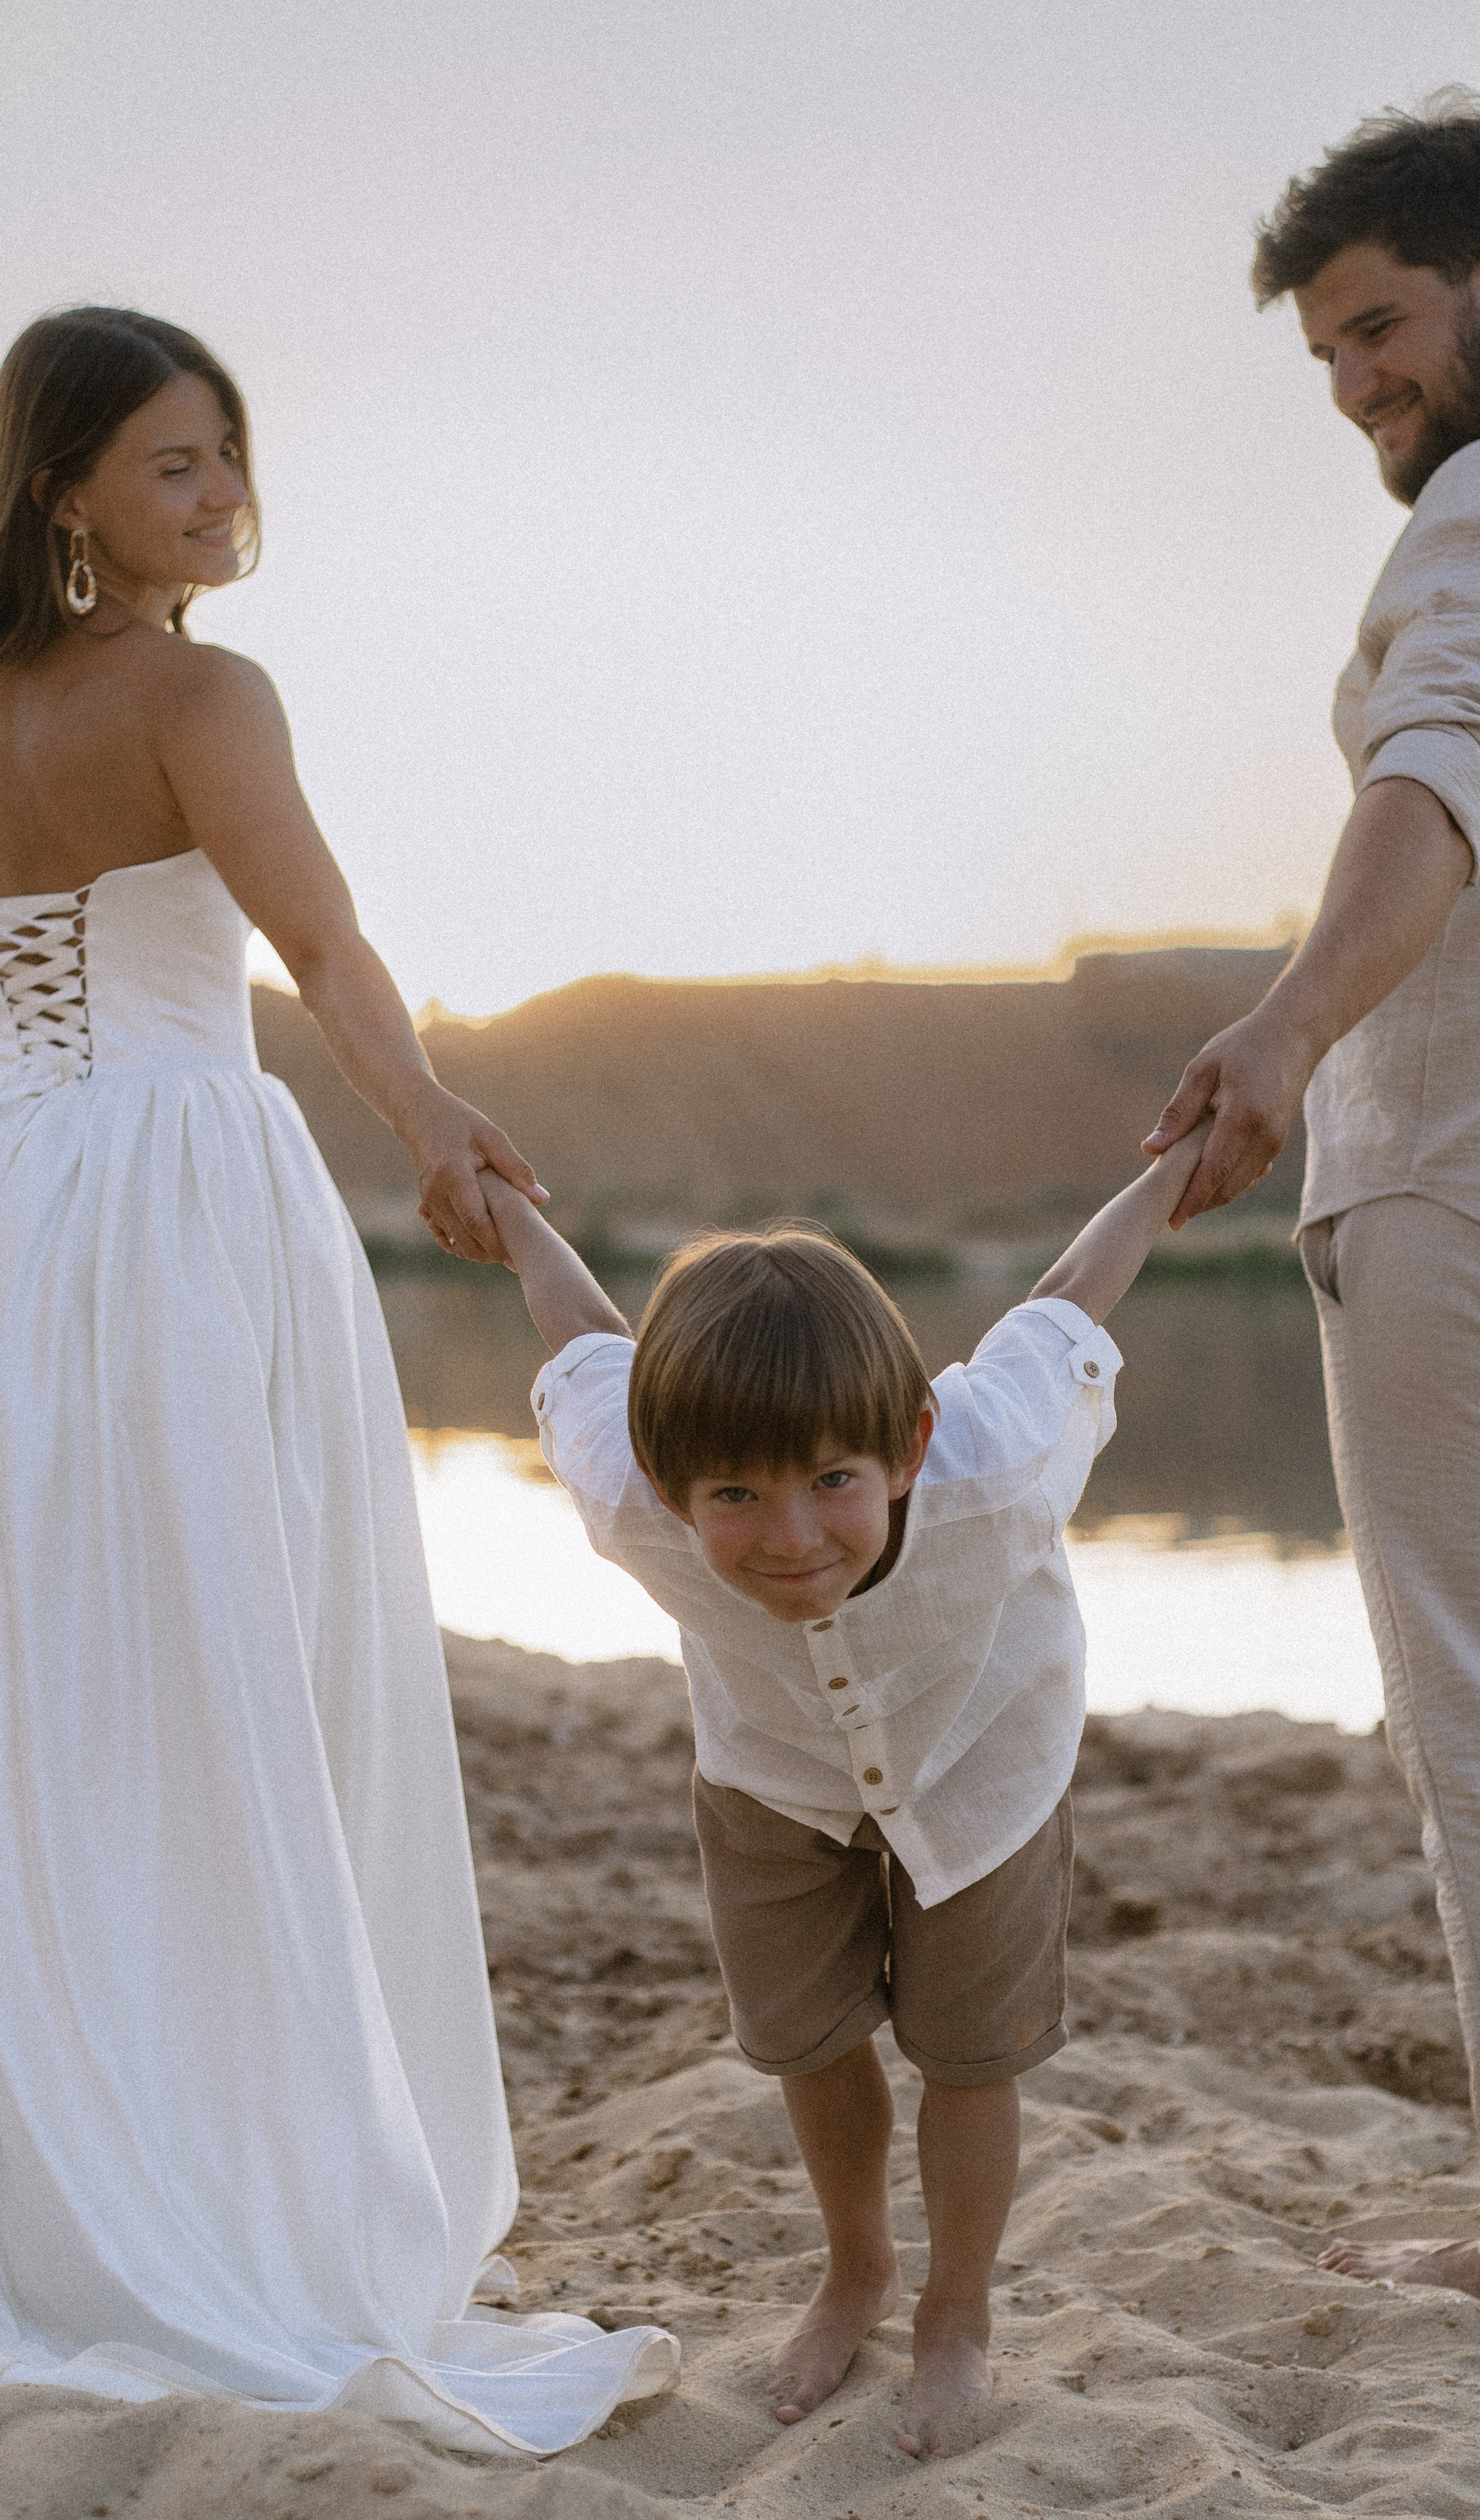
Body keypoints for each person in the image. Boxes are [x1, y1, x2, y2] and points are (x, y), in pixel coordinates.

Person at [0, 307, 676, 2450]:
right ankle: (246, 2192)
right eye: (175, 465)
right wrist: (436, 1127)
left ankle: (87, 2181)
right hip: (188, 1196)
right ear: (66, 495)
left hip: (22, 1195)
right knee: (229, 1667)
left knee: (63, 1685)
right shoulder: (204, 690)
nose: (218, 497)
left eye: (227, 457)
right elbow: (329, 946)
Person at [1145, 94, 1480, 2324]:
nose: (1363, 385)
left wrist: (1279, 1034)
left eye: (1377, 329)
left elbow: (1433, 787)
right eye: (1331, 360)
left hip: (1475, 1193)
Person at [477, 1121, 1209, 2455]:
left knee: (966, 2055)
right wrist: (509, 1209)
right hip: (771, 1774)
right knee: (806, 2035)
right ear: (662, 1480)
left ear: (910, 1443)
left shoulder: (995, 1456)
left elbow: (1064, 1300)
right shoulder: (623, 1484)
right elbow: (581, 1336)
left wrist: (1170, 1171)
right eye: (736, 1498)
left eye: (832, 1481)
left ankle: (957, 2315)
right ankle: (857, 2266)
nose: (792, 1536)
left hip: (983, 1756)